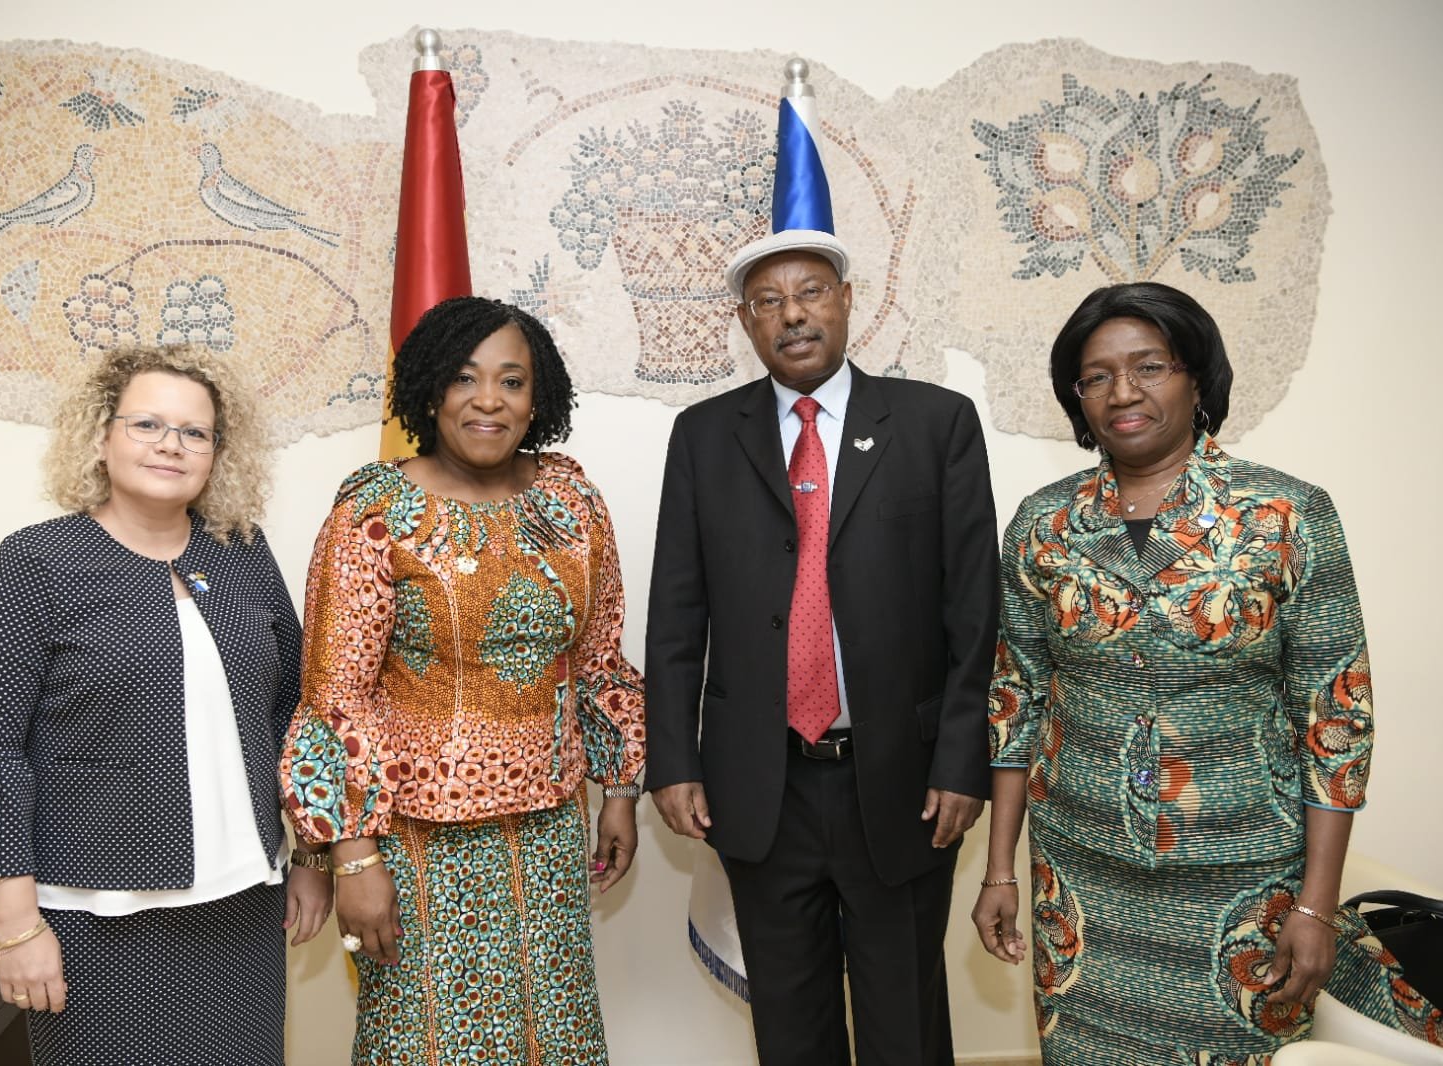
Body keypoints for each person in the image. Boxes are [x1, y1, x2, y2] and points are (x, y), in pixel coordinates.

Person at [975, 281, 1443, 1063]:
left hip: (1242, 883)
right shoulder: (1041, 525)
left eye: (1148, 365)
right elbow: (1012, 702)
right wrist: (999, 872)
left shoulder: (1284, 516)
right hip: (1081, 881)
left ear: (1196, 377)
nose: (1122, 392)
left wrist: (1317, 908)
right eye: (1095, 376)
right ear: (1076, 398)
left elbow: (1336, 717)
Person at [646, 229, 1000, 1066]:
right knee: (790, 1027)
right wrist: (673, 760)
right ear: (743, 321)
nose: (791, 315)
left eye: (809, 293)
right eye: (767, 303)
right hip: (759, 784)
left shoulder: (933, 423)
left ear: (846, 301)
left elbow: (973, 611)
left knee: (902, 1025)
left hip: (903, 783)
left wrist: (960, 762)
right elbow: (675, 614)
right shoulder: (702, 436)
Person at [0, 345, 326, 1065]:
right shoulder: (37, 563)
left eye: (194, 432)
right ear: (102, 437)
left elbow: (293, 717)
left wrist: (313, 858)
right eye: (147, 424)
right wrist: (15, 926)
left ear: (217, 454)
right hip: (91, 917)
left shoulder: (242, 553)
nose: (170, 445)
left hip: (241, 907)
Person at [280, 295, 645, 1065]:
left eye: (511, 381)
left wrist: (619, 789)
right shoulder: (375, 512)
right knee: (427, 1041)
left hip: (548, 829)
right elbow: (334, 695)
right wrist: (353, 858)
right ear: (429, 391)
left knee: (552, 1032)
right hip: (414, 840)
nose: (488, 399)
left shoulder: (572, 503)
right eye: (464, 378)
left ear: (535, 397)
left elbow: (598, 656)